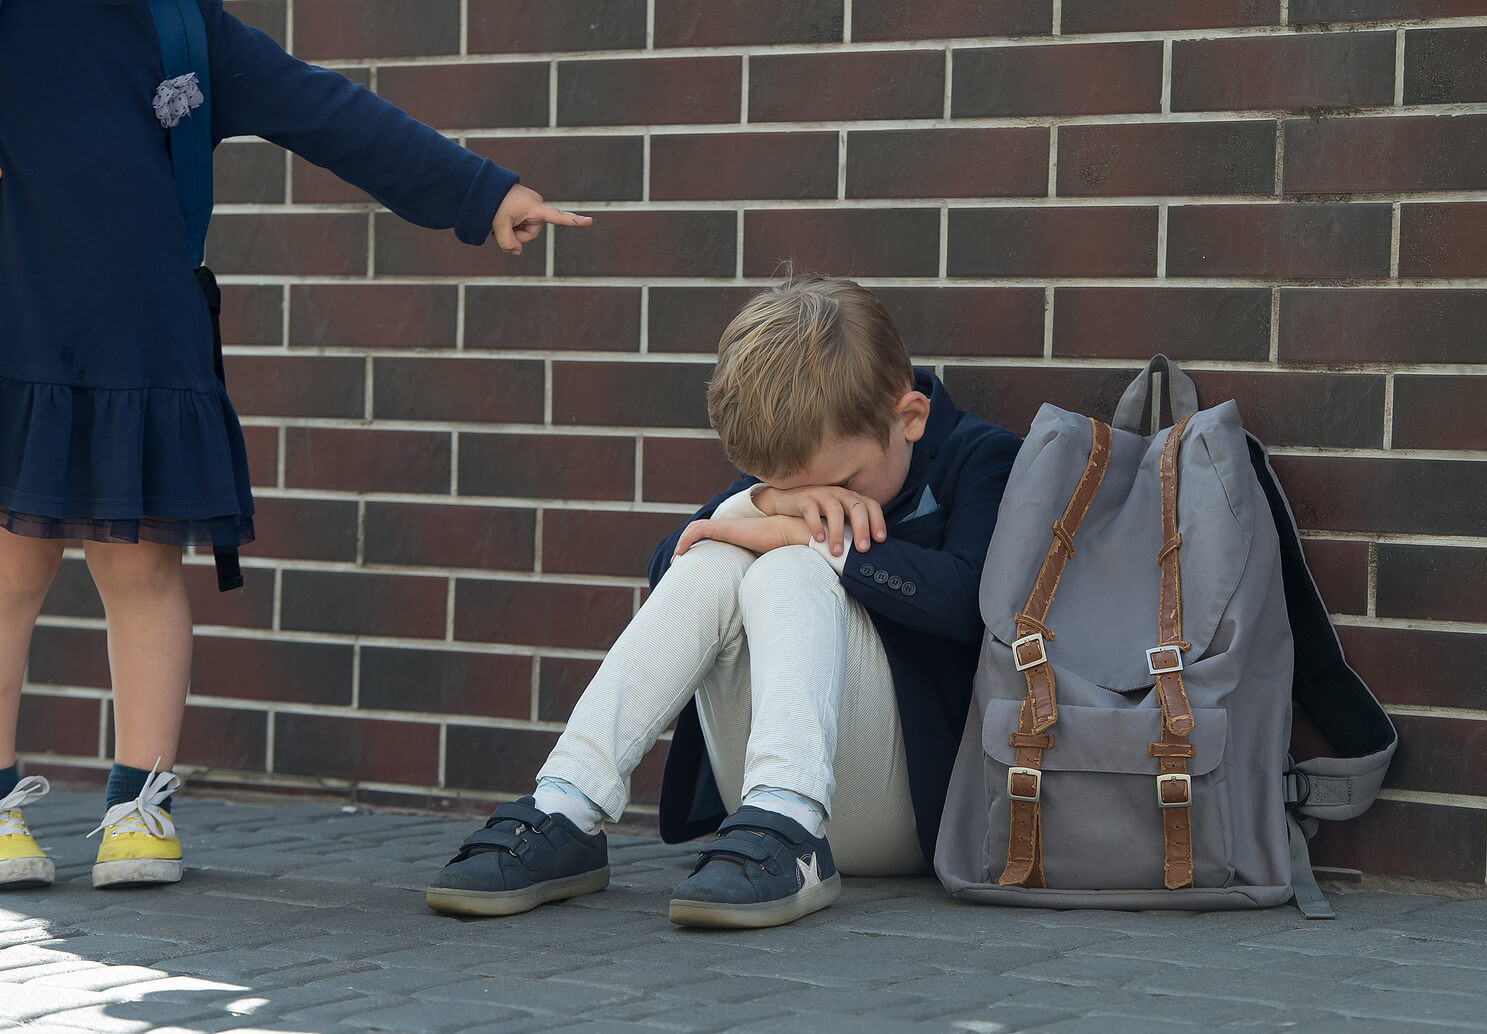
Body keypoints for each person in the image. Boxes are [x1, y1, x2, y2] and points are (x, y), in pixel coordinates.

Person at [0, 0, 589, 892]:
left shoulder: (184, 29)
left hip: (147, 349)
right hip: (18, 337)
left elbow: (325, 111)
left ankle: (139, 801)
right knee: (10, 572)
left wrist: (481, 192)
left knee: (141, 572)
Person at [426, 276, 1021, 928]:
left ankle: (792, 824)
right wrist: (760, 504)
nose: (815, 501)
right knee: (715, 557)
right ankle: (568, 803)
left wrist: (813, 538)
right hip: (752, 817)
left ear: (909, 418)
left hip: (912, 803)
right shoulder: (797, 455)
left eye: (839, 486)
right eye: (792, 492)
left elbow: (973, 606)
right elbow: (670, 571)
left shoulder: (979, 457)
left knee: (787, 566)